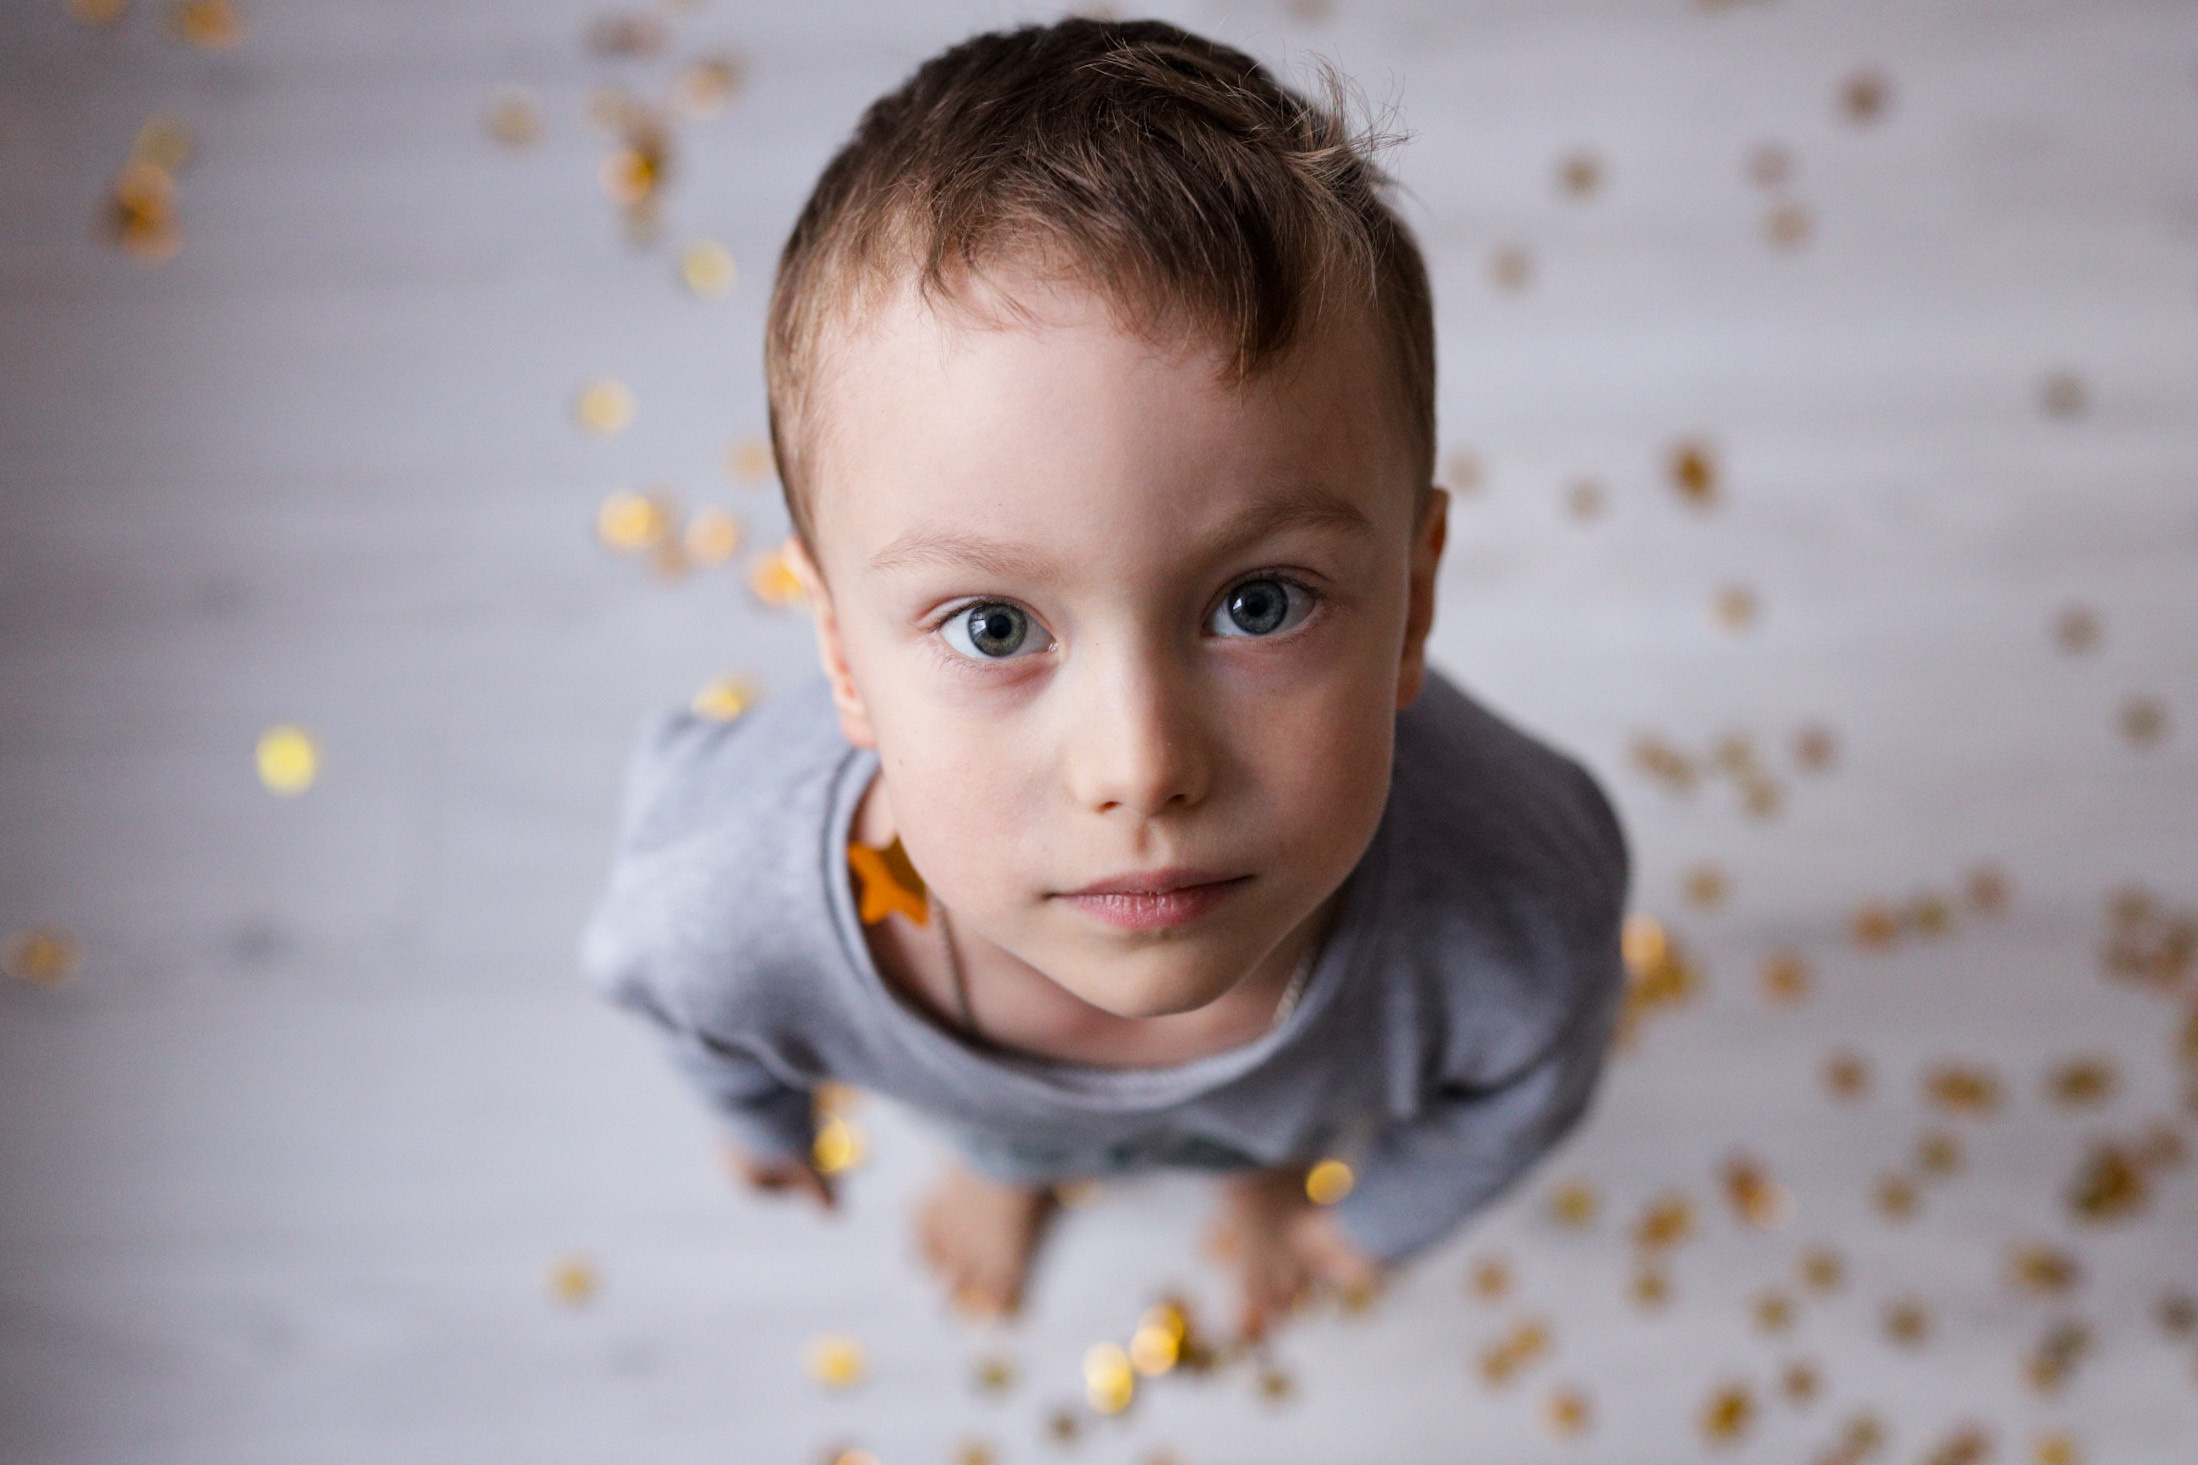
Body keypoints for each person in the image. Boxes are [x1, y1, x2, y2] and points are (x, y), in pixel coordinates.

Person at [582, 17, 1627, 1340]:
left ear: (1411, 598)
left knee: (1267, 1127)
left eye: (1258, 603)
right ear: (841, 652)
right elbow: (675, 998)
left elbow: (1523, 1093)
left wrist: (1361, 1221)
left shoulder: (1514, 905)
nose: (1138, 764)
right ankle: (1006, 1164)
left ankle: (1248, 1181)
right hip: (980, 1098)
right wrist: (763, 1124)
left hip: (1295, 1110)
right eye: (994, 628)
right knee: (998, 1125)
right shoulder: (726, 903)